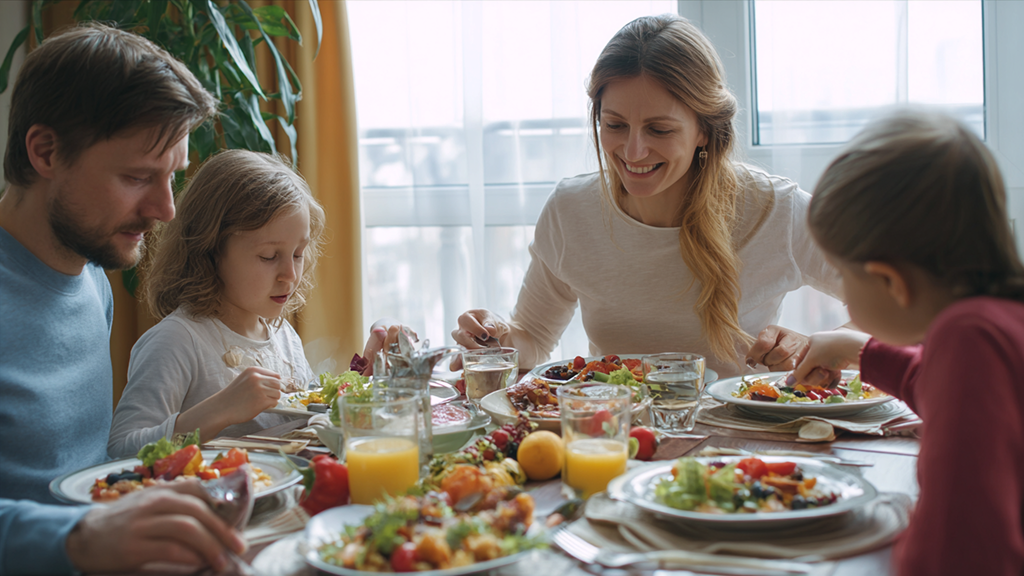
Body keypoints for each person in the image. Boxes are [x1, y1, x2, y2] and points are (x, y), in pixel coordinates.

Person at [449, 14, 841, 377]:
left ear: (704, 129)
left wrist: (820, 345)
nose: (633, 152)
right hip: (614, 440)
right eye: (615, 125)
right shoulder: (571, 210)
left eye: (659, 130)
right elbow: (532, 337)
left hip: (738, 443)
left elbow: (900, 309)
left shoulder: (774, 209)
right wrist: (493, 338)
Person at [0, 24, 246, 574]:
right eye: (138, 176)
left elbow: (87, 473)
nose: (166, 210)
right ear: (44, 151)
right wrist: (81, 537)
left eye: (172, 177)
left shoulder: (92, 280)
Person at [788, 110, 1024, 575]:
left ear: (890, 282)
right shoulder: (997, 322)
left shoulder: (968, 339)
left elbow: (964, 546)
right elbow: (942, 392)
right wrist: (859, 350)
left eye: (845, 278)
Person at [107, 150, 326, 458]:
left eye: (299, 254)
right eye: (268, 257)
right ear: (210, 250)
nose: (290, 275)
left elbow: (311, 422)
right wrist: (217, 411)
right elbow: (121, 451)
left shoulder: (282, 335)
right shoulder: (178, 341)